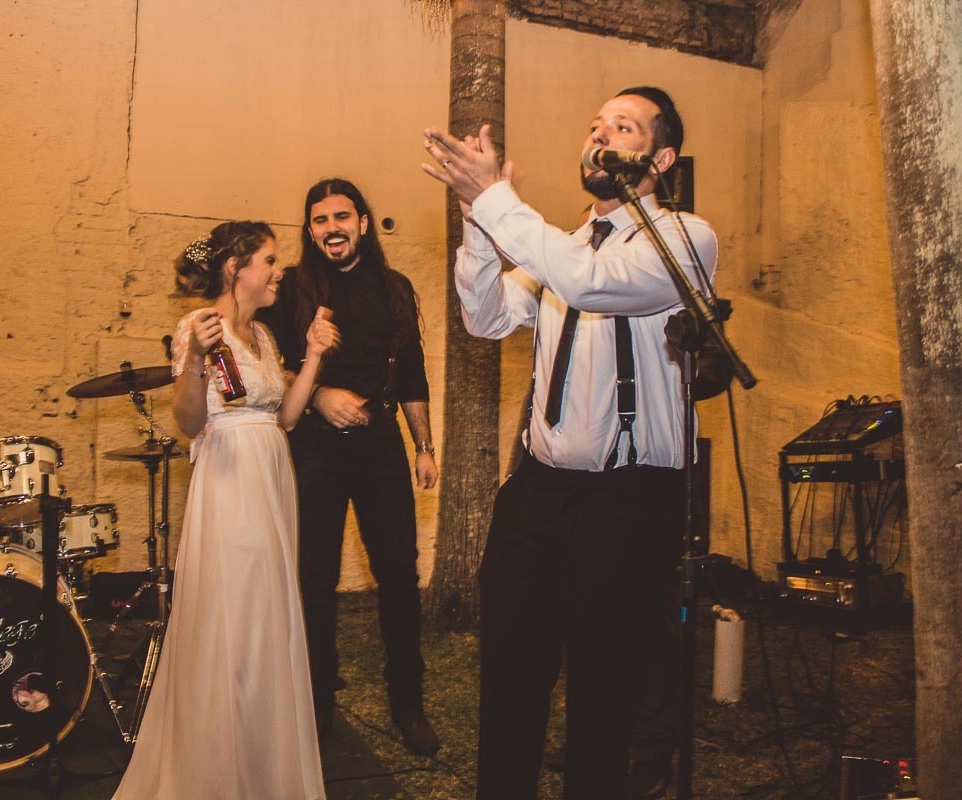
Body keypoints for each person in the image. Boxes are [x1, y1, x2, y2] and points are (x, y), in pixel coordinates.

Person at [422, 86, 717, 799]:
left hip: (626, 500)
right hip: (536, 491)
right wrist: (477, 221)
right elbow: (486, 317)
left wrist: (497, 200)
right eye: (596, 124)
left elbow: (590, 286)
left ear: (661, 158)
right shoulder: (563, 246)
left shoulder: (684, 240)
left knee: (601, 693)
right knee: (510, 680)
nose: (600, 134)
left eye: (623, 126)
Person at [112, 220, 340, 800]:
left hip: (272, 473)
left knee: (266, 614)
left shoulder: (262, 334)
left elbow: (286, 417)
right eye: (269, 260)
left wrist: (314, 357)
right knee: (233, 613)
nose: (279, 271)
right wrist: (194, 358)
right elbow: (190, 422)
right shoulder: (197, 327)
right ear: (236, 269)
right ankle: (217, 766)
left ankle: (261, 761)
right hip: (230, 480)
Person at [257, 178, 441, 756]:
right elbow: (272, 370)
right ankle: (316, 706)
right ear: (310, 229)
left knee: (399, 576)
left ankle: (408, 706)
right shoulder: (292, 289)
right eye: (320, 220)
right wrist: (319, 396)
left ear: (362, 222)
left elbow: (411, 371)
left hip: (381, 445)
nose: (331, 228)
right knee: (315, 579)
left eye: (341, 217)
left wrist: (424, 446)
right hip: (315, 448)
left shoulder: (394, 287)